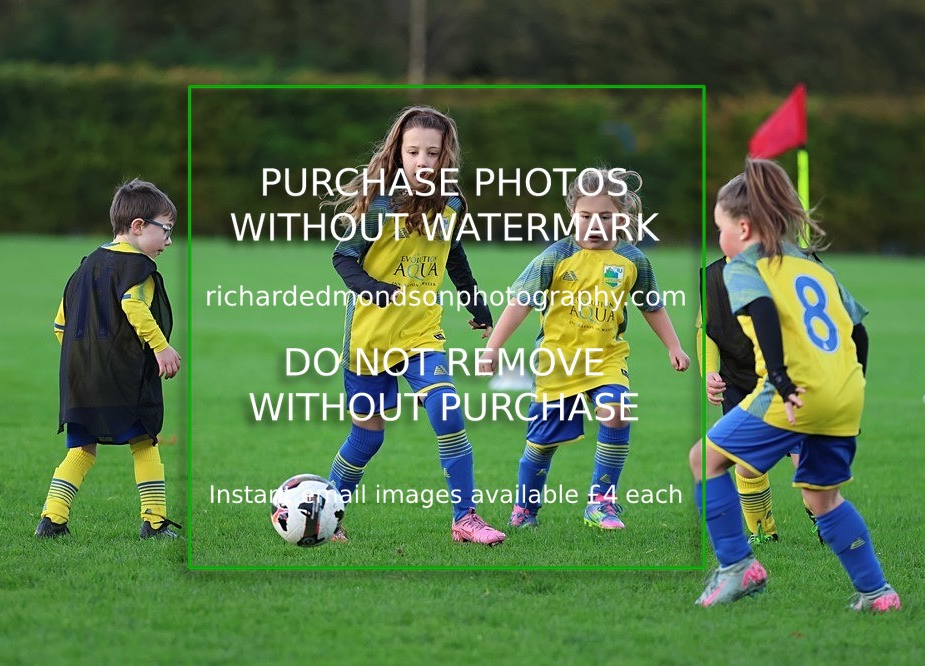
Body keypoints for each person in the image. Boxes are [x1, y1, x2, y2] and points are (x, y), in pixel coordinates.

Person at [690, 158, 898, 611]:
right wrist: (852, 385)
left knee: (704, 460)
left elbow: (762, 310)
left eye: (720, 227)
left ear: (743, 228)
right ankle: (877, 593)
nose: (719, 238)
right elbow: (857, 331)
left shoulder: (741, 266)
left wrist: (781, 380)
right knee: (823, 498)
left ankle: (736, 566)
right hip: (843, 396)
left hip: (793, 393)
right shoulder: (815, 266)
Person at [326, 106, 505, 545]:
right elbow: (342, 258)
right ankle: (328, 514)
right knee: (367, 440)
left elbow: (454, 254)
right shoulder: (381, 203)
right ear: (398, 153)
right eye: (414, 152)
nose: (423, 161)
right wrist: (374, 289)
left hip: (422, 334)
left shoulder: (453, 203)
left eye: (433, 152)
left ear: (446, 155)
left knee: (447, 411)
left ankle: (466, 518)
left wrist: (476, 302)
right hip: (368, 340)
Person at [480, 168, 690, 530]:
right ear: (572, 215)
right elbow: (520, 303)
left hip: (607, 357)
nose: (595, 224)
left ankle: (601, 504)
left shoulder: (633, 260)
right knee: (541, 445)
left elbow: (652, 305)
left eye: (605, 217)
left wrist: (674, 345)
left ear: (621, 217)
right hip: (558, 362)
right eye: (586, 216)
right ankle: (525, 509)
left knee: (617, 409)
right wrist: (493, 349)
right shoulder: (555, 256)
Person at [36, 179, 183, 540]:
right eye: (165, 230)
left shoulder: (85, 267)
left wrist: (87, 361)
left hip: (81, 380)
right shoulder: (138, 270)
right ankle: (154, 522)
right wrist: (161, 347)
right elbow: (132, 305)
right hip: (125, 378)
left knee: (81, 449)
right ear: (137, 227)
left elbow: (60, 325)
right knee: (145, 441)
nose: (168, 240)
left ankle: (52, 520)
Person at [698, 257, 827, 544]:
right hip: (740, 381)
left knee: (806, 460)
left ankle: (826, 521)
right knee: (746, 462)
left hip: (793, 380)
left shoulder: (794, 265)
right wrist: (708, 371)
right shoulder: (714, 276)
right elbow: (706, 328)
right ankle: (763, 534)